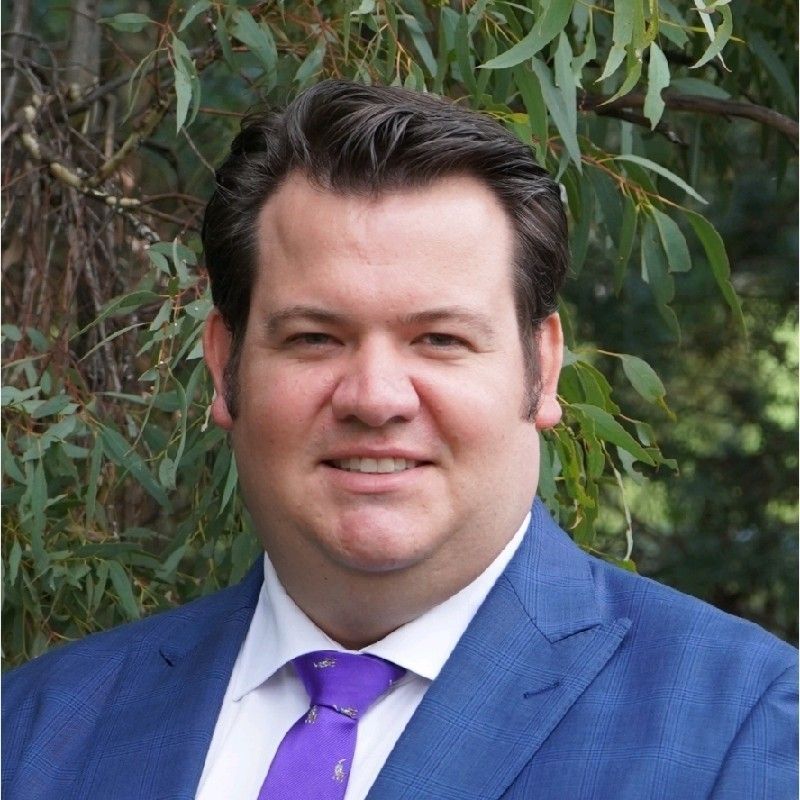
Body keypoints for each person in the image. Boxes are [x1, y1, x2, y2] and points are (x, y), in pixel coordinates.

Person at [2, 80, 796, 800]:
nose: (376, 398)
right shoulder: (37, 733)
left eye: (441, 340)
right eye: (315, 337)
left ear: (541, 370)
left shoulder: (744, 729)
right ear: (225, 367)